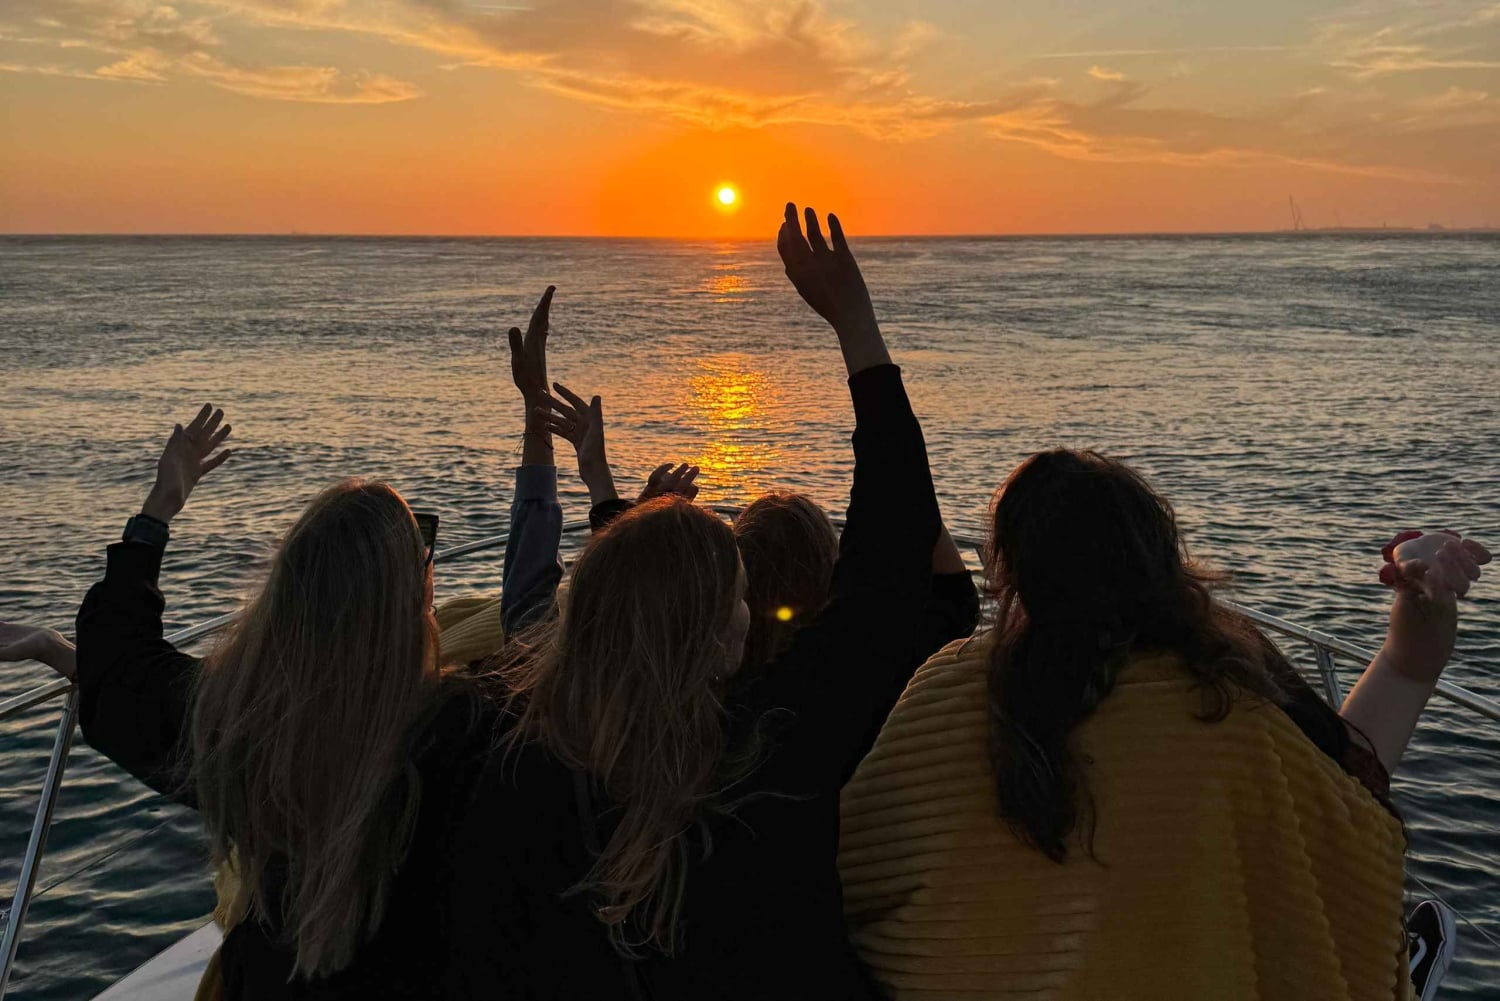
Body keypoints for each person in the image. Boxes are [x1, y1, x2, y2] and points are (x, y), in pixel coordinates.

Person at [450, 203, 942, 999]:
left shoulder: (524, 771)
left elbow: (484, 957)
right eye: (737, 595)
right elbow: (892, 554)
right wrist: (855, 324)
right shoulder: (776, 752)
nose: (747, 611)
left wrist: (594, 481)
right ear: (714, 635)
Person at [55, 290, 566, 1000]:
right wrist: (538, 424)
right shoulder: (469, 737)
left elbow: (117, 667)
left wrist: (159, 509)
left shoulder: (240, 725)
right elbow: (536, 627)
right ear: (416, 597)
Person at [838, 448, 1490, 1001]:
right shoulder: (1233, 712)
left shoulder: (944, 694)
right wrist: (1419, 616)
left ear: (1004, 570)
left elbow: (857, 879)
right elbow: (1354, 815)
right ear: (1163, 564)